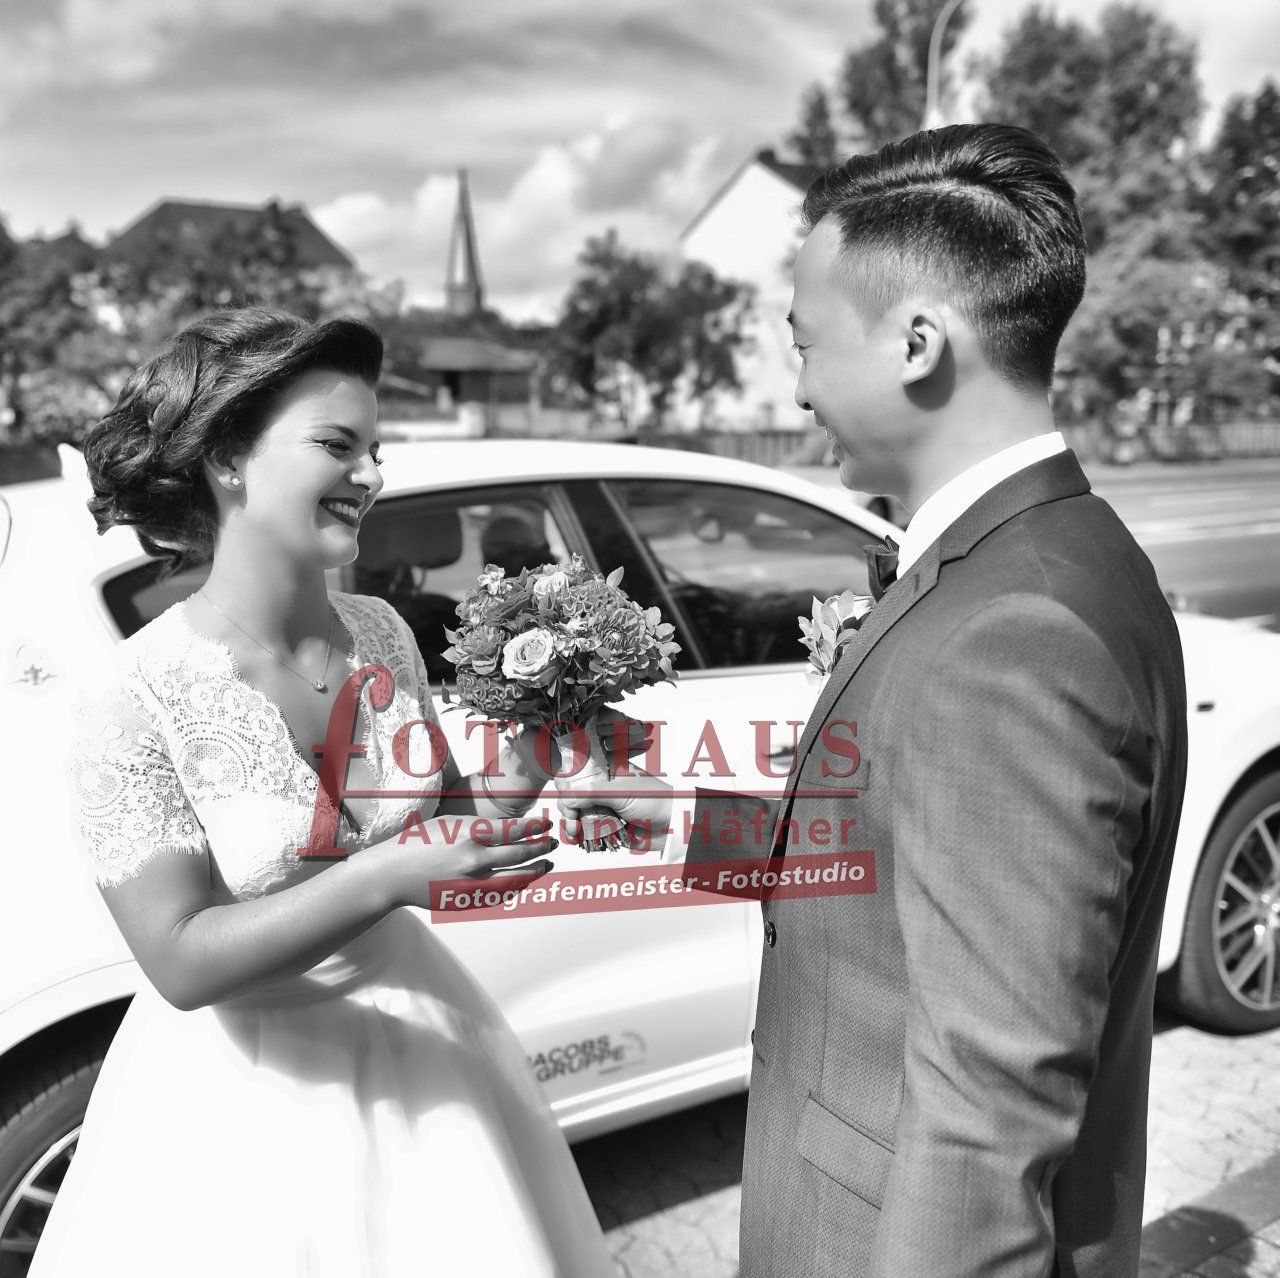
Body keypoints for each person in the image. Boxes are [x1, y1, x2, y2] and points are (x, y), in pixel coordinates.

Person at [560, 124, 1188, 1277]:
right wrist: (669, 819)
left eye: (803, 343)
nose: (795, 389)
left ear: (914, 343)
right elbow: (894, 867)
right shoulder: (1041, 556)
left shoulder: (1015, 635)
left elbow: (982, 1132)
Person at [31, 307, 614, 1277]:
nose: (373, 476)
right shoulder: (128, 694)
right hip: (243, 1101)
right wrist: (383, 878)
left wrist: (536, 756)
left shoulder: (380, 629)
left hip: (424, 1035)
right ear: (227, 456)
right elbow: (179, 962)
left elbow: (439, 825)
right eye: (339, 445)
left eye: (375, 450)